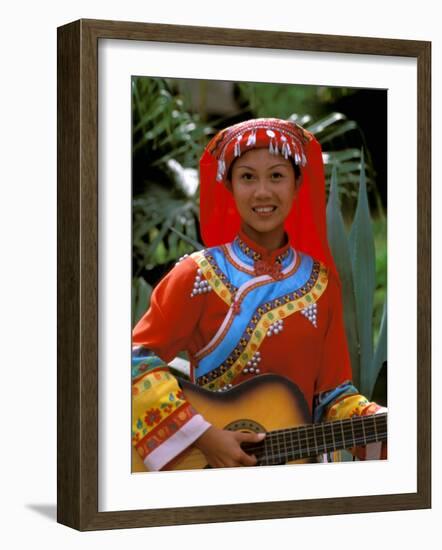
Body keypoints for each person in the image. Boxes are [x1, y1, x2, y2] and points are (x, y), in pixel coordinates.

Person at [131, 117, 386, 472]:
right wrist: (202, 436)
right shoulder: (196, 275)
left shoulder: (320, 282)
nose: (263, 192)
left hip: (300, 471)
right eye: (248, 177)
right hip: (213, 474)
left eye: (277, 176)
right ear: (229, 186)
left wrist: (384, 423)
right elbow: (132, 362)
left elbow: (332, 397)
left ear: (298, 184)